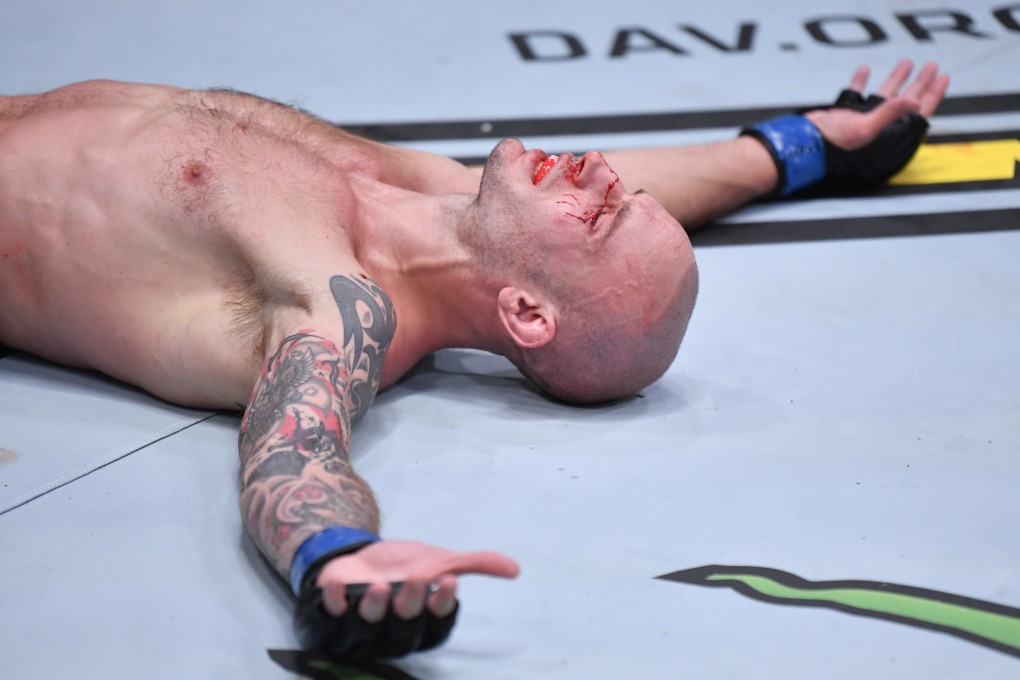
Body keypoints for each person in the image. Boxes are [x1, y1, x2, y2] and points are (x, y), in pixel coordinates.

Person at [0, 59, 948, 658]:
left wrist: (337, 556)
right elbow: (650, 206)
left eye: (605, 211)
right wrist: (796, 150)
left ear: (527, 313)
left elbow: (298, 454)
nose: (601, 174)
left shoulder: (345, 299)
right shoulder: (443, 203)